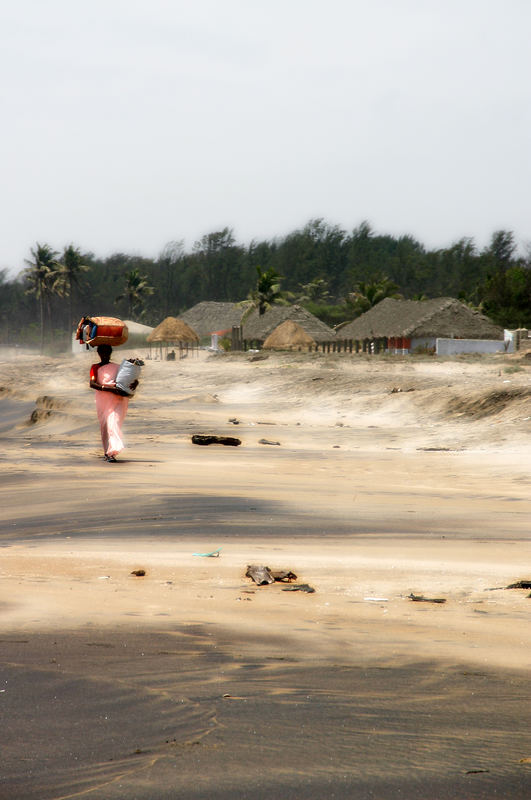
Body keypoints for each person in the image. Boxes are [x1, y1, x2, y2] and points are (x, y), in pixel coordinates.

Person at [89, 344, 137, 462]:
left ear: (110, 353)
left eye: (107, 352)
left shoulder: (117, 367)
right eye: (102, 352)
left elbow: (127, 379)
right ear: (99, 354)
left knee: (113, 423)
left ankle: (112, 452)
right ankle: (107, 452)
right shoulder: (95, 367)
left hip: (118, 400)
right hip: (103, 400)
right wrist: (109, 389)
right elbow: (92, 383)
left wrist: (135, 382)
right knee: (105, 426)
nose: (105, 355)